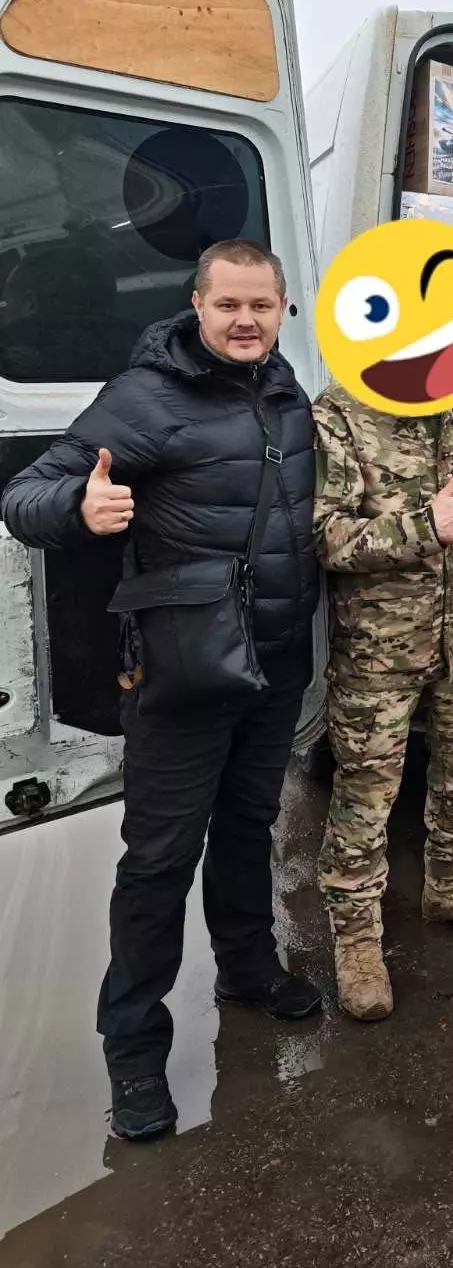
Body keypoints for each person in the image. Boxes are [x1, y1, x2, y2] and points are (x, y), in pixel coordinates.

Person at [0, 240, 321, 1141]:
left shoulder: (285, 389)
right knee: (158, 861)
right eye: (229, 305)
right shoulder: (148, 396)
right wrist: (79, 508)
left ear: (283, 308)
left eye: (262, 305)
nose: (246, 321)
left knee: (250, 826)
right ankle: (134, 1049)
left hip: (274, 662)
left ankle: (247, 968)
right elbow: (26, 493)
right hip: (184, 668)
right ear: (197, 304)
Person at [311, 380, 453, 1022]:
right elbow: (323, 537)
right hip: (381, 649)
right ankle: (356, 938)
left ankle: (451, 885)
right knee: (366, 796)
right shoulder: (341, 413)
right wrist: (425, 527)